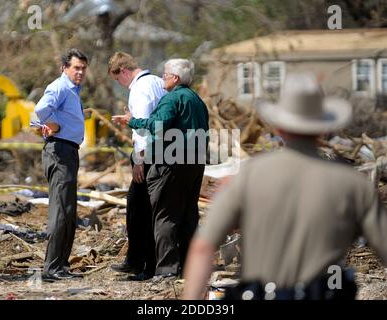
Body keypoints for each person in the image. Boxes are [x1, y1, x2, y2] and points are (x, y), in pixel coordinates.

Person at [182, 72, 387, 300]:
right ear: (322, 128)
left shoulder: (249, 175)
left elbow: (203, 246)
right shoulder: (354, 184)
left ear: (279, 128)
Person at [116, 58, 209, 280]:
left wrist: (132, 120)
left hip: (171, 162)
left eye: (165, 75)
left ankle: (167, 269)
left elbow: (157, 125)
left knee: (165, 216)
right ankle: (189, 266)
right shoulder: (197, 100)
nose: (162, 78)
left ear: (175, 78)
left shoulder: (172, 99)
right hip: (195, 163)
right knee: (189, 215)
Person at [109, 52, 167, 280]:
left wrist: (139, 161)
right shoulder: (156, 82)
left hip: (148, 153)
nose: (120, 85)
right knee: (142, 208)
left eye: (117, 80)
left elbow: (142, 128)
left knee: (140, 210)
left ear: (123, 71)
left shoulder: (140, 88)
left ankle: (144, 265)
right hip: (163, 151)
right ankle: (135, 260)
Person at [34, 48, 88, 282]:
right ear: (64, 68)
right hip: (59, 151)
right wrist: (53, 125)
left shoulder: (72, 90)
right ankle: (52, 268)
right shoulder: (60, 86)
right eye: (76, 67)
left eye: (83, 68)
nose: (80, 72)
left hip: (69, 151)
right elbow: (39, 111)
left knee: (68, 210)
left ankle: (61, 265)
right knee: (60, 210)